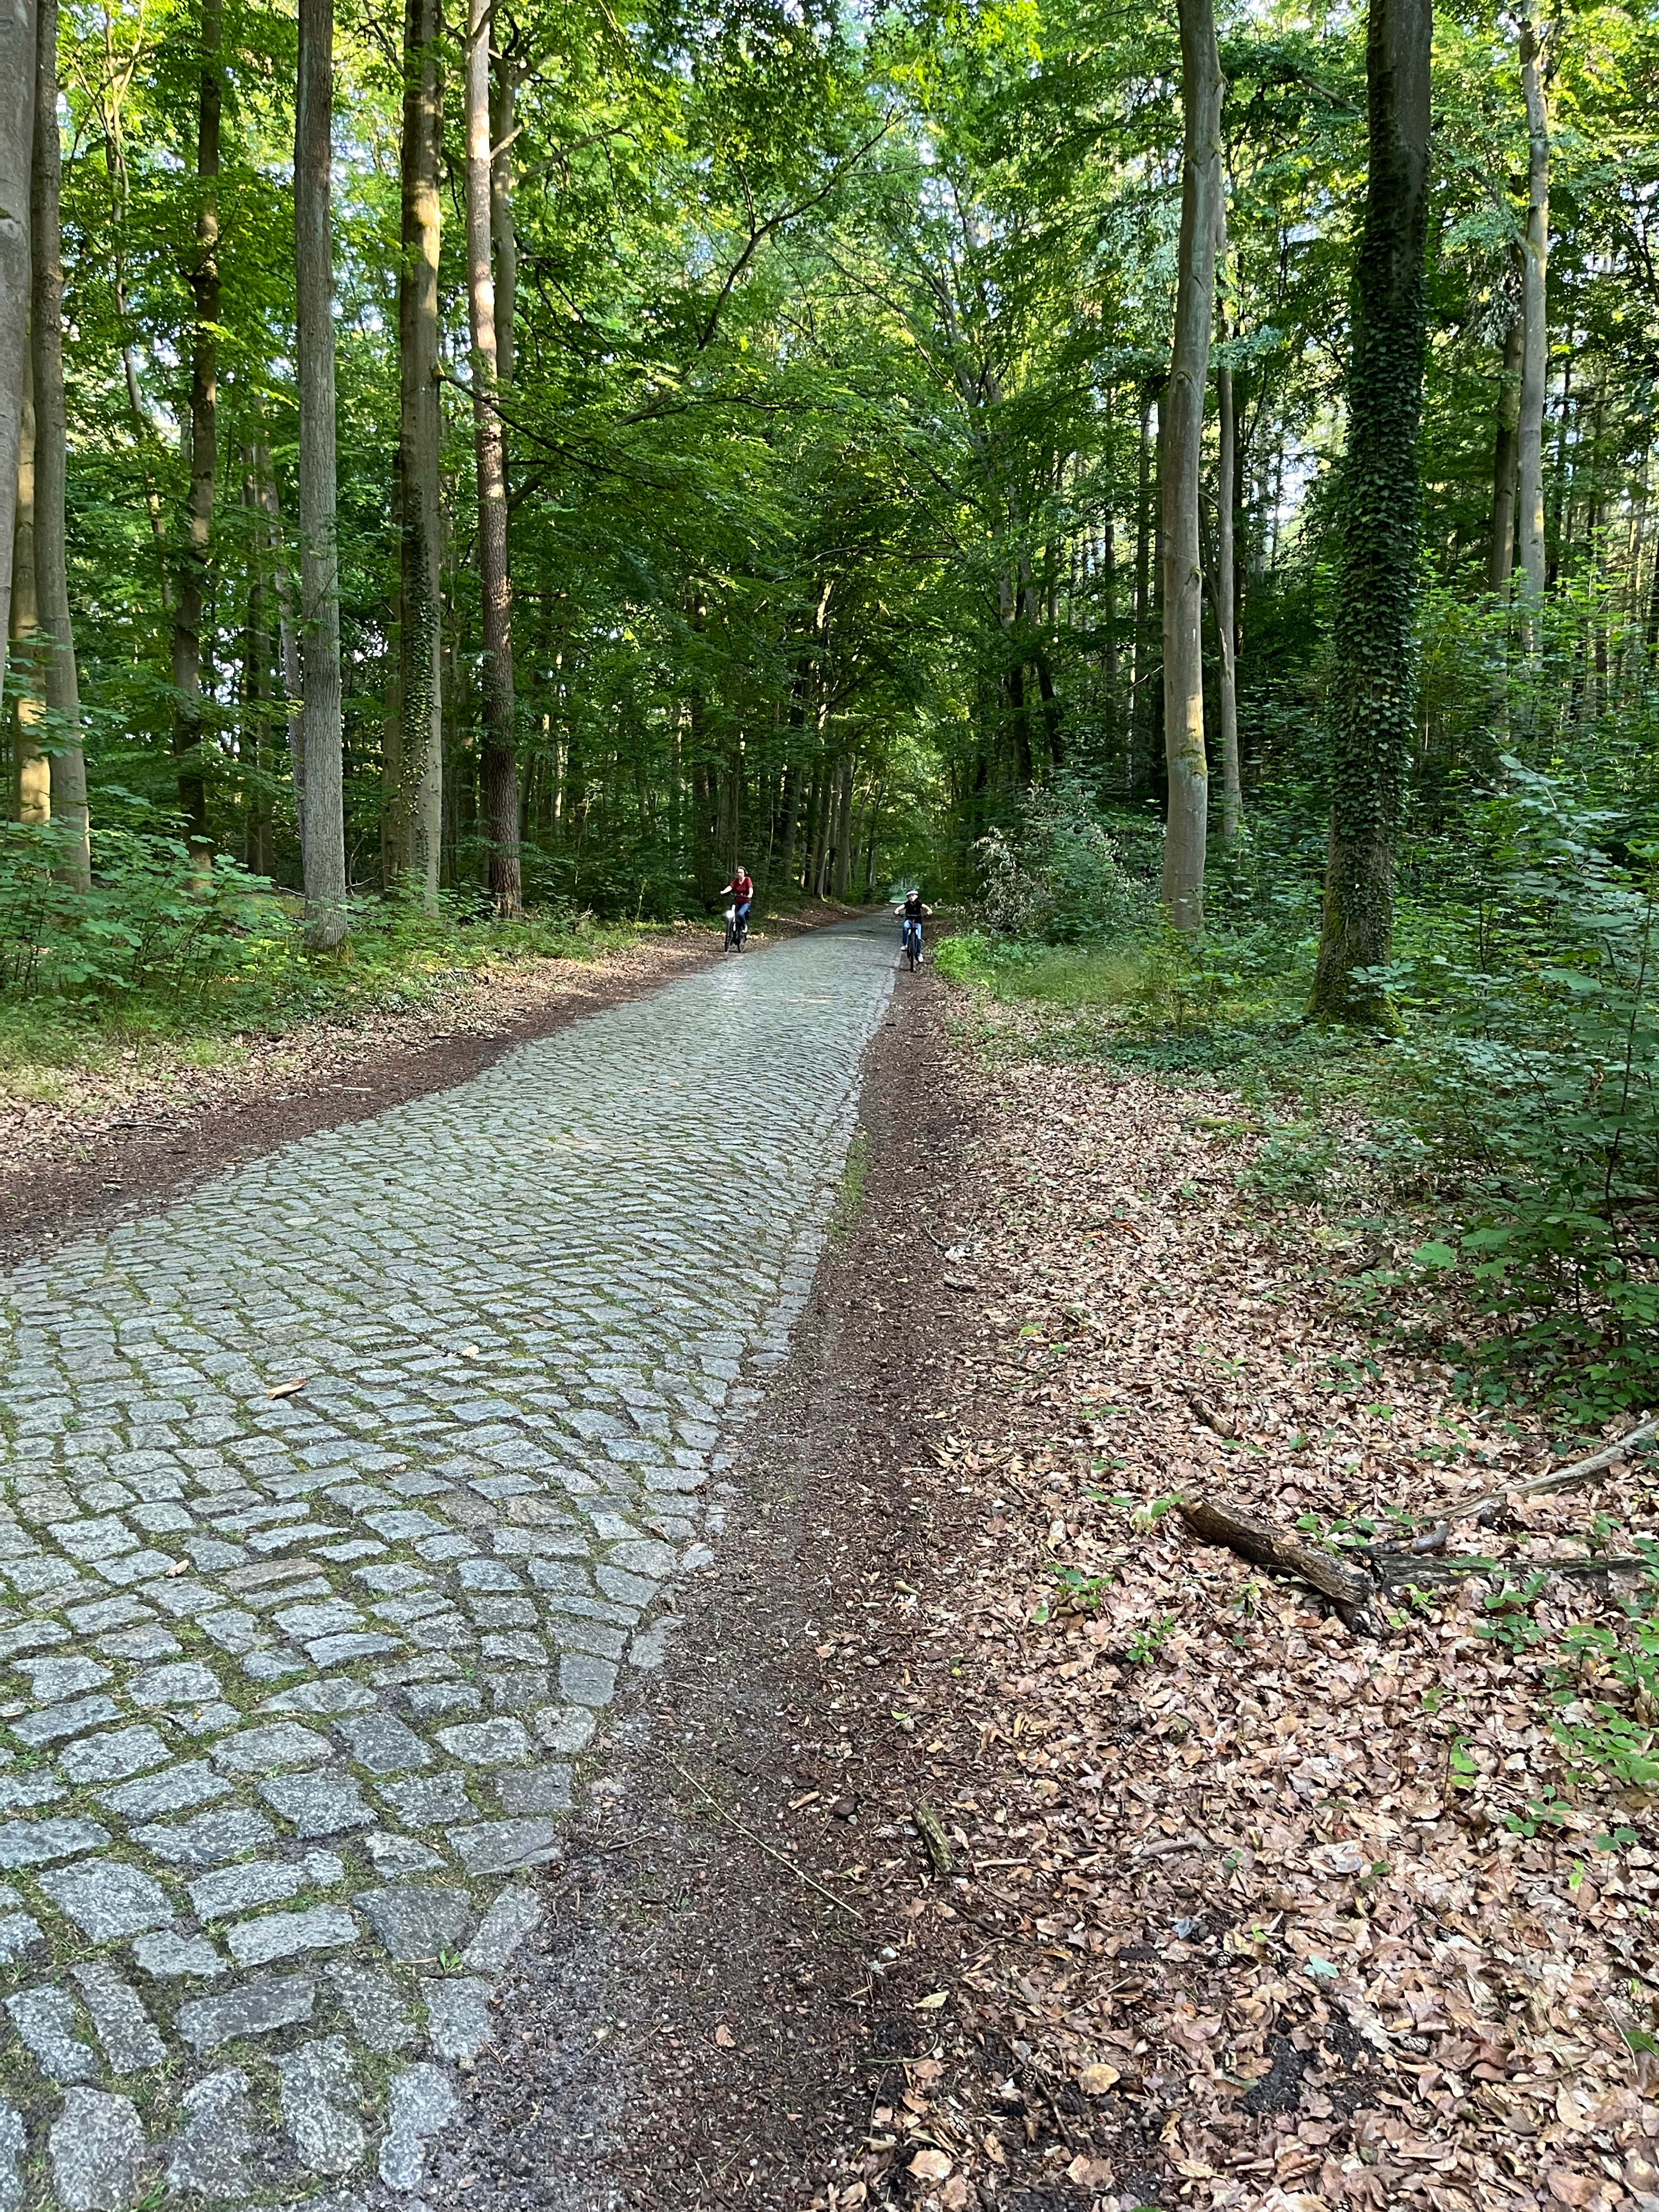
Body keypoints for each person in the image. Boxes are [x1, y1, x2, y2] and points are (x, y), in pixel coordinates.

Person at [894, 887, 931, 964]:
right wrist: (897, 911)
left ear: (916, 896)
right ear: (908, 898)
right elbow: (900, 908)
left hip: (918, 922)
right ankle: (906, 944)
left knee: (919, 938)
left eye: (913, 896)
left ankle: (919, 954)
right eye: (910, 896)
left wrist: (929, 912)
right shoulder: (907, 904)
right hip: (909, 920)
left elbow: (927, 908)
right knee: (905, 927)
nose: (911, 897)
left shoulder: (919, 904)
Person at [721, 866, 754, 938]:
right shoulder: (736, 881)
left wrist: (750, 894)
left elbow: (750, 888)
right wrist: (724, 891)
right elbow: (730, 887)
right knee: (732, 914)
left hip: (746, 902)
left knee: (740, 914)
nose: (739, 874)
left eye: (741, 873)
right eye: (738, 873)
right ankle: (732, 930)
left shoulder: (748, 880)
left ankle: (744, 926)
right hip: (737, 901)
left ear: (744, 873)